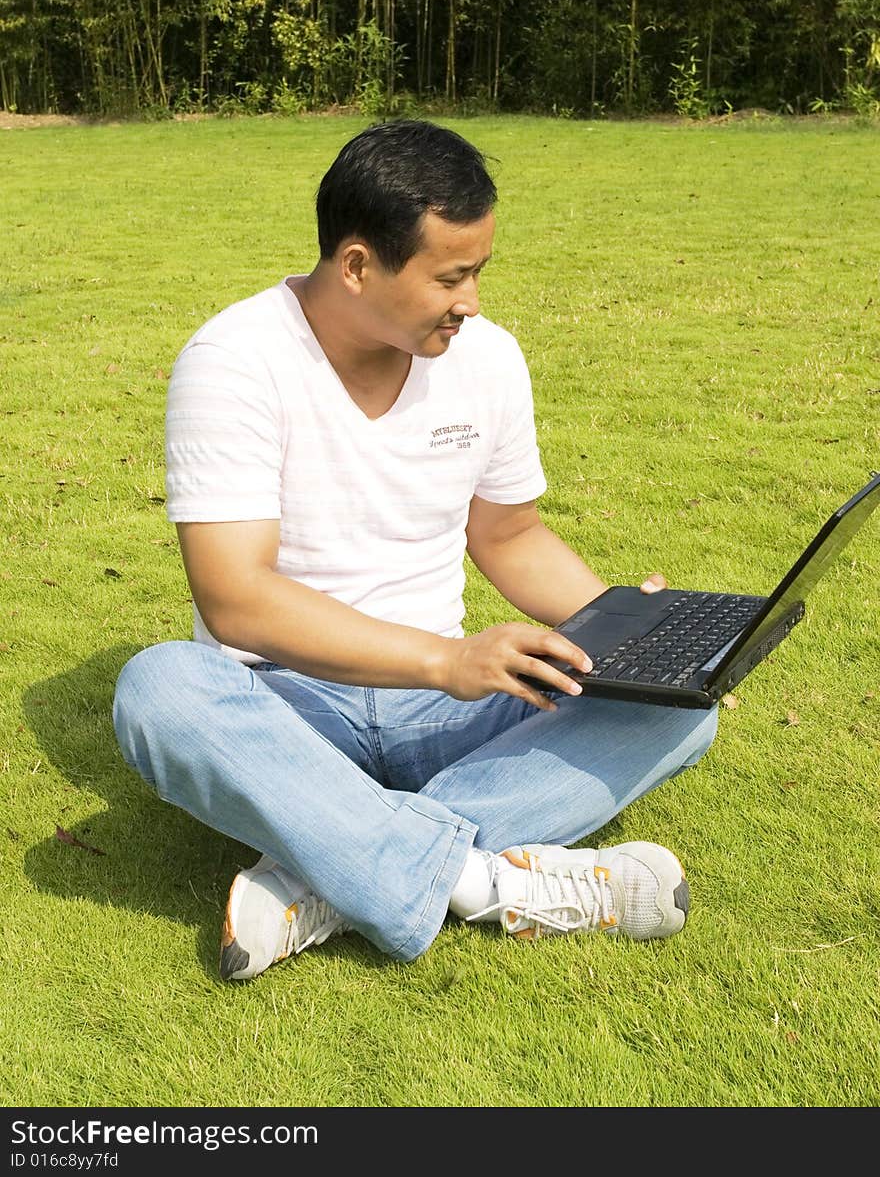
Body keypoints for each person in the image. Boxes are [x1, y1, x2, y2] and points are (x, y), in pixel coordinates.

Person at [113, 118, 717, 982]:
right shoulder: (235, 362)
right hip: (287, 711)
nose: (470, 300)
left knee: (678, 705)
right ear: (358, 266)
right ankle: (481, 883)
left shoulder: (490, 360)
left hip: (449, 709)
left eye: (478, 272)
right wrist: (445, 659)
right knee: (159, 689)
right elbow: (236, 599)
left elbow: (511, 535)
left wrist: (627, 630)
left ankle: (330, 870)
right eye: (451, 276)